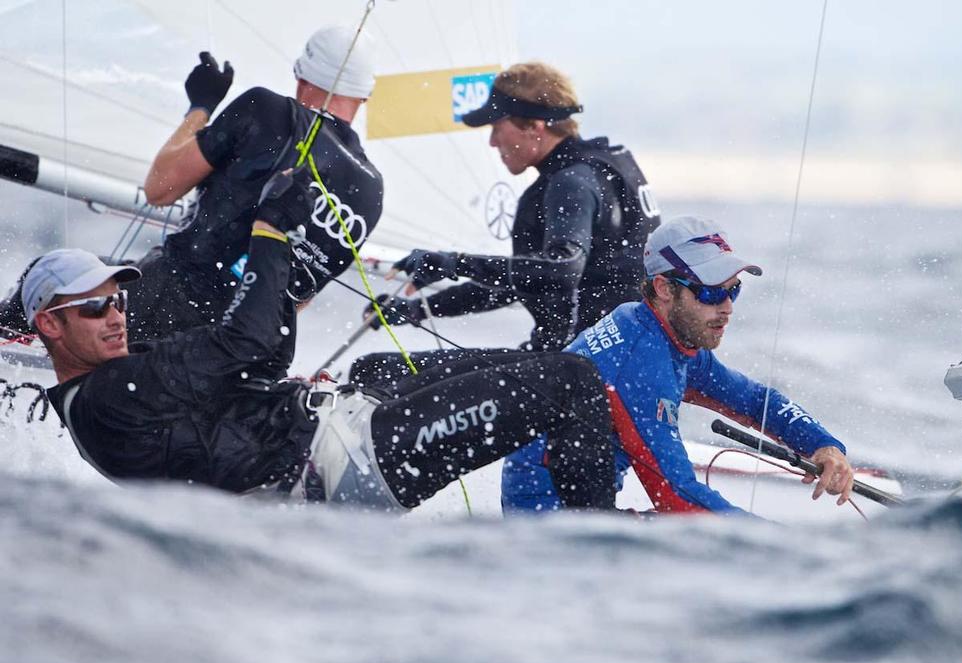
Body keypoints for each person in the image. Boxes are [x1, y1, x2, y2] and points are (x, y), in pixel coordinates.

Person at [25, 171, 616, 511]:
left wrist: (285, 266)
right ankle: (595, 551)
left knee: (392, 365)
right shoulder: (111, 395)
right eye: (95, 306)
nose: (116, 316)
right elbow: (251, 341)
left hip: (329, 434)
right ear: (50, 326)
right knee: (574, 382)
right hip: (335, 472)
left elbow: (263, 355)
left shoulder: (125, 374)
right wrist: (269, 234)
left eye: (119, 300)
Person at [1, 25, 384, 343]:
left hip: (171, 300)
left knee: (47, 275)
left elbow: (160, 188)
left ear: (301, 75)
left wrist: (200, 106)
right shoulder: (372, 190)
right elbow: (298, 297)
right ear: (365, 96)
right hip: (250, 347)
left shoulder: (267, 109)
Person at [501, 215, 856, 514]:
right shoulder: (638, 362)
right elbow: (676, 495)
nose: (727, 307)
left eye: (733, 290)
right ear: (664, 288)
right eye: (711, 292)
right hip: (550, 525)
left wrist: (823, 445)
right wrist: (780, 545)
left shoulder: (659, 329)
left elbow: (752, 400)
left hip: (583, 508)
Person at [350, 61, 660, 389]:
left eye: (497, 127)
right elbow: (525, 280)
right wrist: (419, 309)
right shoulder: (609, 163)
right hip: (622, 364)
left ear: (535, 125)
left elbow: (561, 270)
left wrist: (454, 263)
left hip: (572, 373)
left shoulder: (571, 183)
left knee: (373, 372)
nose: (493, 142)